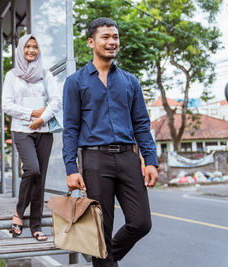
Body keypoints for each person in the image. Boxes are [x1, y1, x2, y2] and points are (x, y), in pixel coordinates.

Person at [62, 18, 158, 266]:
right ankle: (101, 257)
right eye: (105, 37)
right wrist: (71, 169)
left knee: (141, 222)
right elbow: (70, 129)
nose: (112, 42)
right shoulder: (75, 82)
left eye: (115, 37)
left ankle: (101, 256)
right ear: (91, 42)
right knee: (101, 228)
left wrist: (151, 161)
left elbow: (141, 125)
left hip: (128, 157)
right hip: (95, 159)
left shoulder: (130, 81)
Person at [2, 34, 62, 241]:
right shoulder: (12, 75)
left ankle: (36, 225)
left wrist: (42, 118)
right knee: (32, 170)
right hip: (22, 130)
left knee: (40, 177)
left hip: (44, 132)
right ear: (20, 49)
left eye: (35, 47)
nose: (31, 50)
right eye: (27, 46)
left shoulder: (46, 74)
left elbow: (56, 100)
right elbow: (7, 105)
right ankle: (19, 212)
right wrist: (31, 114)